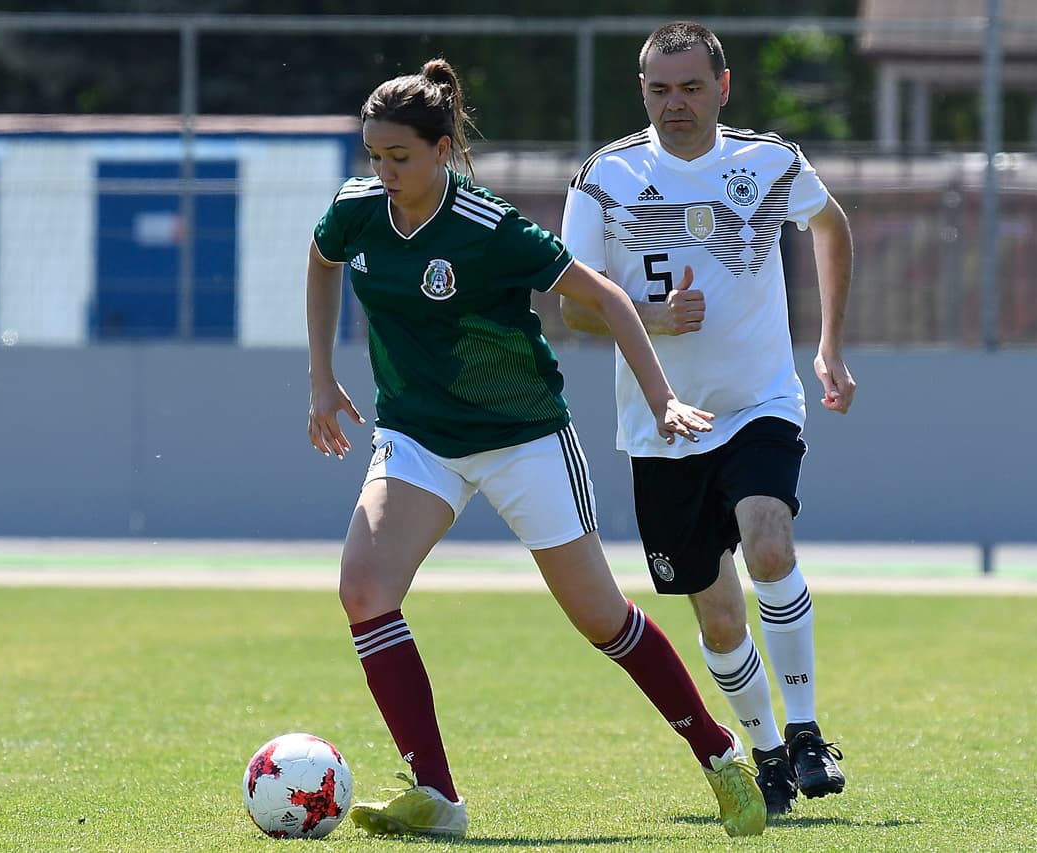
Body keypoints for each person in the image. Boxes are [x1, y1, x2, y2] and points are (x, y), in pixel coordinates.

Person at [306, 57, 768, 839]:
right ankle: (436, 794)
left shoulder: (491, 227)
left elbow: (609, 299)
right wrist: (322, 379)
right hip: (419, 436)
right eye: (373, 156)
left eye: (400, 157)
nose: (383, 172)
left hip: (523, 439)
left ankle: (721, 754)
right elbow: (321, 265)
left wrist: (663, 400)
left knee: (600, 619)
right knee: (363, 588)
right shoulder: (354, 212)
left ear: (444, 149)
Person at [559, 21, 854, 816]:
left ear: (722, 87)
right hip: (662, 424)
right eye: (659, 89)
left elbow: (831, 225)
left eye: (691, 88)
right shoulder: (605, 176)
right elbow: (569, 306)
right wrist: (650, 317)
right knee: (719, 617)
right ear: (642, 91)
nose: (674, 104)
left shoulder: (768, 161)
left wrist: (827, 345)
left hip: (760, 400)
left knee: (768, 535)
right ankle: (764, 753)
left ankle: (804, 731)